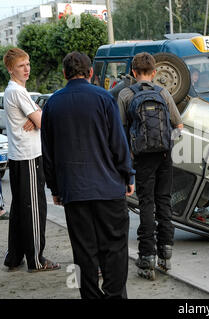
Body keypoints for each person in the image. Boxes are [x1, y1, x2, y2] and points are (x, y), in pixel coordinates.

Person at [41, 51, 135, 299]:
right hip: (108, 188)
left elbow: (47, 153)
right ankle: (115, 295)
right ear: (91, 72)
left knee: (83, 251)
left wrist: (55, 189)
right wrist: (128, 176)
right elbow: (118, 143)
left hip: (74, 191)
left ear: (64, 74)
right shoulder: (104, 98)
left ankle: (90, 295)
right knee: (115, 248)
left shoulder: (52, 104)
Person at [118, 52, 183, 280]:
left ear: (133, 73)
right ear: (154, 72)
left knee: (147, 203)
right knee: (164, 200)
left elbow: (121, 130)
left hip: (142, 158)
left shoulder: (126, 94)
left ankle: (147, 257)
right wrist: (168, 142)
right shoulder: (163, 92)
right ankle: (166, 251)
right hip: (165, 155)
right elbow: (178, 125)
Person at [2, 47, 60, 272]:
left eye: (27, 64)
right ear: (10, 69)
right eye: (20, 66)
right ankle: (36, 259)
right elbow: (44, 122)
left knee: (20, 210)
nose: (26, 69)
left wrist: (36, 117)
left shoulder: (15, 91)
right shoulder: (17, 91)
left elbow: (38, 118)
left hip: (20, 157)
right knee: (34, 210)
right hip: (29, 157)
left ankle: (14, 256)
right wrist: (38, 118)